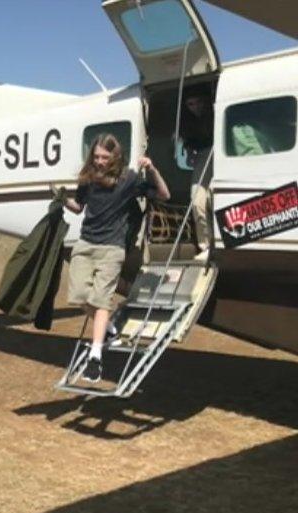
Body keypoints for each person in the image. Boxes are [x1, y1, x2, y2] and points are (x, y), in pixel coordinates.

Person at [65, 134, 170, 382]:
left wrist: (152, 169)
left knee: (101, 302)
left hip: (112, 249)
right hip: (85, 244)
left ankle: (96, 357)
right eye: (96, 156)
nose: (99, 161)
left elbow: (163, 194)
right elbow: (79, 207)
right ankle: (111, 330)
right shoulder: (88, 178)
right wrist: (61, 200)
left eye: (104, 157)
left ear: (115, 157)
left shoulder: (128, 179)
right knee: (79, 297)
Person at [178, 91, 215, 259]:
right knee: (197, 200)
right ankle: (206, 245)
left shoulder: (215, 113)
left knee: (214, 198)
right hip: (202, 156)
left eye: (198, 102)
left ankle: (220, 243)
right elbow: (187, 143)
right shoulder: (188, 124)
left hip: (219, 152)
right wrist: (189, 150)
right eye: (190, 104)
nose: (196, 107)